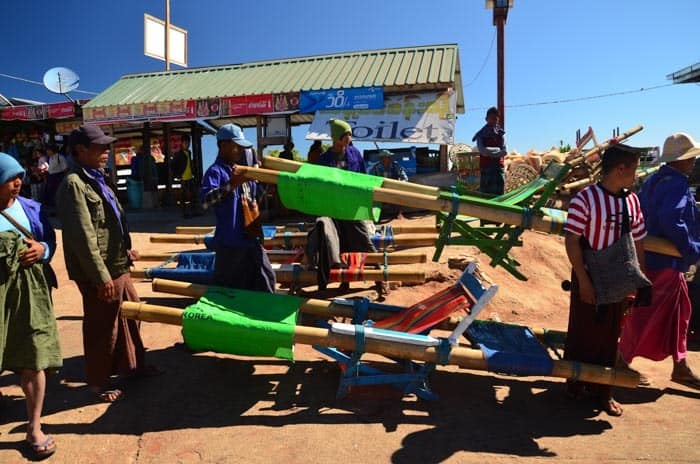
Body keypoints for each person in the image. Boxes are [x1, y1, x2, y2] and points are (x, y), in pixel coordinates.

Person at [56, 124, 158, 403]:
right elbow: (83, 237)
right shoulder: (74, 185)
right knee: (103, 326)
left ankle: (132, 366)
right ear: (80, 151)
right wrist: (101, 277)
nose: (106, 152)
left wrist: (126, 251)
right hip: (98, 270)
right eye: (99, 147)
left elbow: (112, 222)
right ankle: (97, 384)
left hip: (116, 263)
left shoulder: (98, 178)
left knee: (130, 315)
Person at [563, 144, 647, 416]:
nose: (636, 175)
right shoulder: (584, 199)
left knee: (611, 337)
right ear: (620, 169)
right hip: (589, 277)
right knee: (583, 332)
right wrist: (584, 282)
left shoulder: (632, 201)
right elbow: (572, 240)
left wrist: (638, 279)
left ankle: (603, 392)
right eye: (633, 169)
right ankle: (576, 383)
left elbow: (639, 242)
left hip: (619, 281)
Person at [618, 133, 700, 390]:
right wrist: (691, 248)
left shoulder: (654, 180)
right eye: (692, 157)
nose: (695, 161)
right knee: (646, 314)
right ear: (682, 160)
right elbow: (671, 218)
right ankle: (621, 359)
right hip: (665, 261)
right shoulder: (676, 184)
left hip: (653, 258)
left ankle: (680, 365)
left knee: (680, 312)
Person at [0, 152, 61, 459]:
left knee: (34, 357)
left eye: (20, 176)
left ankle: (34, 427)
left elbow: (49, 239)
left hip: (32, 296)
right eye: (10, 178)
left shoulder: (30, 208)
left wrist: (43, 248)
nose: (18, 182)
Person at [200, 123, 275, 292]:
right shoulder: (215, 172)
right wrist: (231, 185)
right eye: (236, 147)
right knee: (229, 293)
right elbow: (205, 202)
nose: (241, 151)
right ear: (223, 146)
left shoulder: (242, 171)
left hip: (252, 240)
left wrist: (266, 186)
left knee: (266, 282)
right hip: (230, 246)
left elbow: (254, 200)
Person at [472, 107, 507, 196]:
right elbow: (482, 151)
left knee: (499, 196)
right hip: (486, 169)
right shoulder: (480, 135)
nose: (493, 121)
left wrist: (490, 152)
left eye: (495, 119)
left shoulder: (501, 134)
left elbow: (504, 152)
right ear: (486, 119)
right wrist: (497, 150)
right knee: (485, 195)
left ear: (498, 120)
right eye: (491, 118)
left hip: (498, 169)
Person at [171, 134, 196, 218]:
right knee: (183, 196)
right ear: (182, 143)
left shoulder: (189, 152)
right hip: (183, 177)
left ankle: (192, 211)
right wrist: (177, 175)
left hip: (190, 176)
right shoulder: (178, 154)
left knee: (192, 194)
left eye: (188, 143)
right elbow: (174, 165)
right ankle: (184, 213)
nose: (187, 144)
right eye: (185, 143)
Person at [43, 144, 69, 211]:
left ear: (52, 150)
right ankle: (54, 209)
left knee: (58, 193)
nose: (47, 152)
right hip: (51, 177)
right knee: (51, 194)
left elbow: (65, 169)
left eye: (48, 150)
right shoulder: (50, 158)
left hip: (58, 177)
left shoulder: (60, 157)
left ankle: (60, 209)